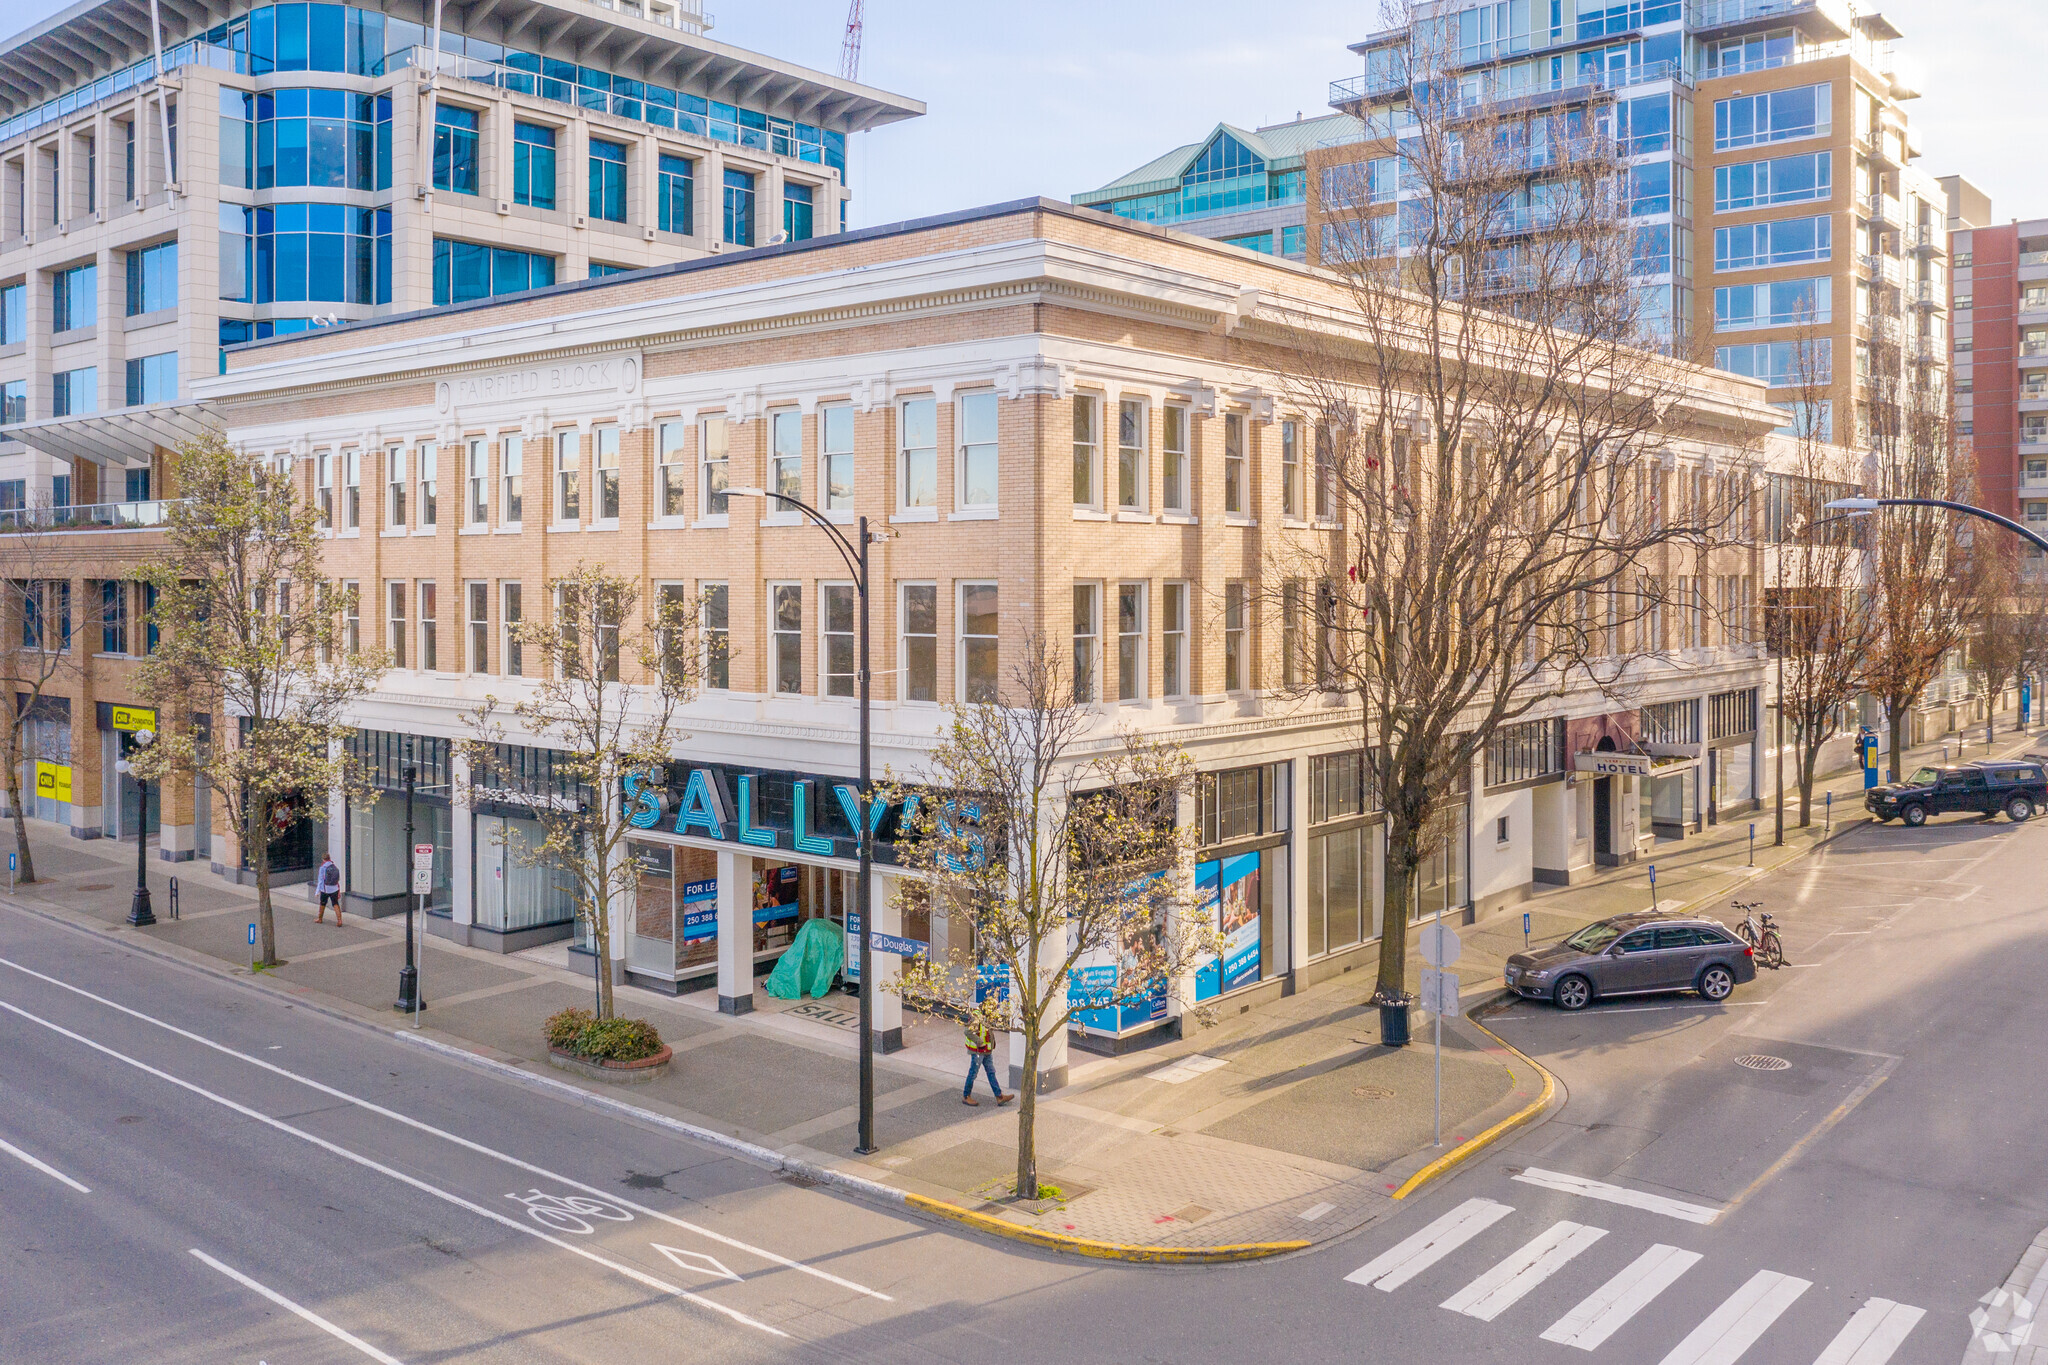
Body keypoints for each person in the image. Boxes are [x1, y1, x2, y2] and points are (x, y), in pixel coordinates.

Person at [962, 1018, 1012, 1107]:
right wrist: (979, 1042)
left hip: (986, 1051)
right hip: (978, 1052)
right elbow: (967, 1031)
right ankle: (966, 1096)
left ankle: (999, 1096)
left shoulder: (987, 1016)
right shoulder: (977, 1017)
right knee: (973, 1073)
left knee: (991, 1072)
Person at [315, 855, 343, 926]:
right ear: (329, 858)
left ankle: (320, 919)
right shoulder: (334, 866)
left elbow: (320, 880)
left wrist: (317, 891)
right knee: (335, 903)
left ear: (323, 859)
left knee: (322, 903)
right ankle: (339, 920)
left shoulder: (323, 867)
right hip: (335, 888)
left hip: (325, 889)